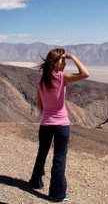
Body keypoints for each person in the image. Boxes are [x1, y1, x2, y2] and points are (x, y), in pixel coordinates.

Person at [29, 48, 89, 202]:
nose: (65, 65)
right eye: (63, 61)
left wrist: (46, 117)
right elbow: (85, 74)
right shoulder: (62, 78)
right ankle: (57, 195)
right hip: (61, 125)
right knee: (59, 158)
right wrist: (74, 57)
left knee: (42, 153)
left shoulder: (41, 81)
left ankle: (35, 182)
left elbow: (39, 103)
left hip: (45, 124)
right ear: (55, 63)